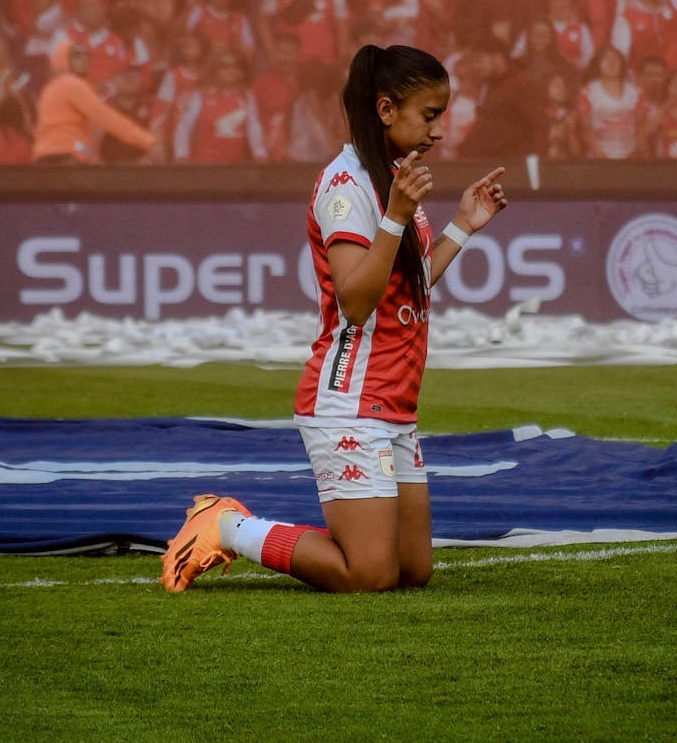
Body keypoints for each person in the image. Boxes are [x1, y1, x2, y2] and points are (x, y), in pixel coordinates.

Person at [160, 43, 507, 593]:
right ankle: (226, 524)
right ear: (386, 109)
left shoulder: (392, 177)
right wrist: (395, 214)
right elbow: (357, 301)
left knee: (412, 572)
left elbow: (406, 282)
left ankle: (288, 529)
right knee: (368, 573)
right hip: (348, 400)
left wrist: (464, 225)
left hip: (394, 400)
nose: (439, 130)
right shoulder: (347, 186)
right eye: (430, 114)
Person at [33, 40, 161, 165]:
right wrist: (147, 141)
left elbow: (75, 143)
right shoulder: (71, 83)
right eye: (77, 55)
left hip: (45, 159)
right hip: (63, 161)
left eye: (86, 55)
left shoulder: (50, 88)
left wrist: (90, 156)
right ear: (62, 58)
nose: (84, 59)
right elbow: (105, 117)